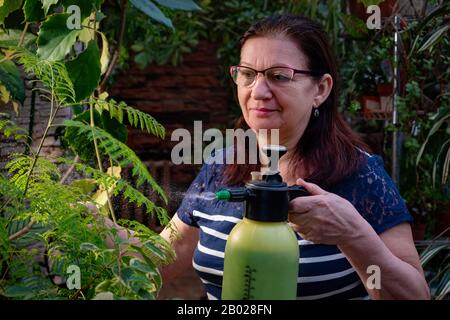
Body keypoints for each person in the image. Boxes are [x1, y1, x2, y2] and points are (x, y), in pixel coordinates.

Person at [110, 14, 430, 300]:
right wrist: (98, 234)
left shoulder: (361, 176)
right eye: (247, 74)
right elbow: (165, 255)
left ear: (320, 89)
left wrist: (353, 235)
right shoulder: (221, 168)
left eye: (279, 76)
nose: (258, 91)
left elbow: (413, 296)